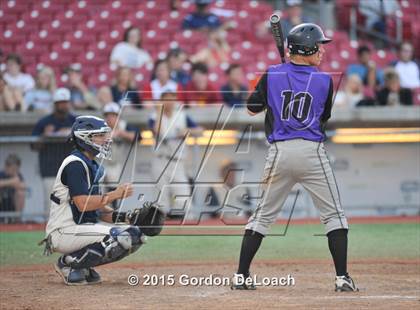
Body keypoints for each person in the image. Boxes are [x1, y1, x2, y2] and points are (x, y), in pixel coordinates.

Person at [231, 23, 358, 292]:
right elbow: (322, 120)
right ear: (306, 48)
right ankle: (342, 278)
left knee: (261, 218)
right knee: (334, 216)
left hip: (279, 152)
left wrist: (271, 88)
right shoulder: (325, 81)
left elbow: (252, 108)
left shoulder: (272, 73)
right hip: (311, 151)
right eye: (319, 46)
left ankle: (241, 276)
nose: (322, 50)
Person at [41, 115, 164, 285]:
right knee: (122, 238)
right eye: (100, 135)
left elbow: (99, 210)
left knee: (135, 234)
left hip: (80, 228)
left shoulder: (92, 165)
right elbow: (83, 204)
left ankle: (83, 265)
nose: (106, 139)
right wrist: (115, 194)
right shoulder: (75, 164)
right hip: (63, 231)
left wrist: (128, 218)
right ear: (85, 138)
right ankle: (69, 263)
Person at [148, 91, 202, 217]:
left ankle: (188, 230)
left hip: (177, 162)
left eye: (172, 99)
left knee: (184, 199)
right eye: (166, 99)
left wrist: (187, 130)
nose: (169, 102)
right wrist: (159, 111)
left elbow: (200, 130)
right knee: (161, 201)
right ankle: (162, 231)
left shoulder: (182, 116)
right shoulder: (154, 116)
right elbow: (157, 131)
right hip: (160, 160)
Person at [32, 88, 76, 215]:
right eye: (60, 102)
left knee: (72, 206)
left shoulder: (76, 121)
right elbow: (33, 146)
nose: (63, 105)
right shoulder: (44, 122)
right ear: (55, 104)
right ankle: (50, 235)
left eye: (65, 102)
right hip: (50, 169)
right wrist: (45, 136)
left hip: (71, 170)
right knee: (51, 207)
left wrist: (69, 133)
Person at [102, 102, 141, 184]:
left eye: (113, 115)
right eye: (107, 115)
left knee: (117, 190)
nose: (110, 118)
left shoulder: (124, 126)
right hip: (103, 164)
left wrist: (121, 133)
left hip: (120, 164)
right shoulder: (101, 127)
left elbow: (139, 137)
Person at [0, 154, 25, 223]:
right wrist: (11, 182)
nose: (15, 171)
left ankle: (17, 220)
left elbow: (23, 186)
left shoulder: (17, 175)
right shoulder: (1, 174)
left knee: (20, 193)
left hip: (12, 204)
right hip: (2, 204)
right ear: (6, 167)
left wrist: (15, 180)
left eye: (17, 169)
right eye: (13, 169)